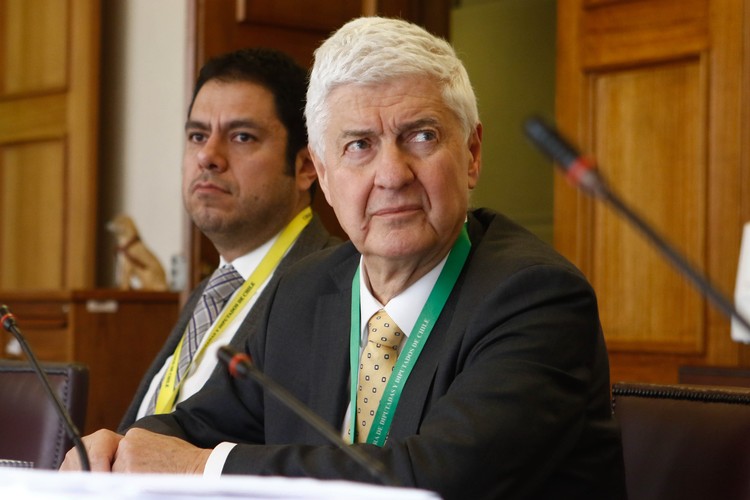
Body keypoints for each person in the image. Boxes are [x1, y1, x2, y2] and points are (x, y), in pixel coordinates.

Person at [63, 17, 626, 500]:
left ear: (472, 154)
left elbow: (434, 482)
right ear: (324, 175)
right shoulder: (302, 291)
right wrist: (121, 449)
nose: (392, 174)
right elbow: (195, 425)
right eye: (359, 145)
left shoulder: (536, 298)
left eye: (421, 136)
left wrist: (199, 468)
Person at [117, 47, 338, 430]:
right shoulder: (209, 293)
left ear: (305, 166)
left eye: (242, 137)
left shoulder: (336, 290)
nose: (208, 156)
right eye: (197, 135)